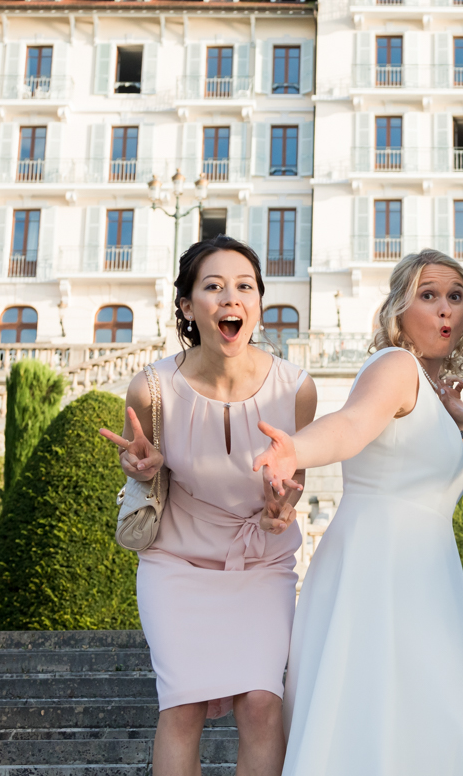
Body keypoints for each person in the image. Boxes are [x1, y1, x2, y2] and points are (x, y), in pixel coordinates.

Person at [251, 249, 463, 776]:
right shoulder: (396, 366)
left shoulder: (435, 394)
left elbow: (415, 463)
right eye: (428, 295)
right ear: (398, 308)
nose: (444, 310)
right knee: (395, 713)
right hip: (380, 569)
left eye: (456, 297)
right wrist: (294, 451)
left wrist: (456, 426)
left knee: (430, 714)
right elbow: (351, 426)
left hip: (425, 575)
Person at [100, 235, 313, 776]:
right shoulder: (151, 388)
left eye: (244, 286)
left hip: (262, 564)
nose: (230, 298)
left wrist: (279, 511)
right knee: (183, 707)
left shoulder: (297, 389)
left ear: (259, 303)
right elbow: (144, 465)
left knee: (264, 706)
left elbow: (295, 485)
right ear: (187, 305)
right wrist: (142, 469)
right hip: (176, 565)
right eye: (212, 286)